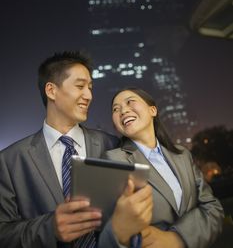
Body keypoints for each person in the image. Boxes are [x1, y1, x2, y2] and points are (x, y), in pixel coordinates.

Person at [0, 52, 153, 248]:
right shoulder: (9, 160)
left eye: (90, 88)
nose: (89, 96)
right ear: (51, 90)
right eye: (80, 86)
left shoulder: (114, 145)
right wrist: (50, 228)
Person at [104, 87, 224, 248]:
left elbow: (213, 208)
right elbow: (115, 228)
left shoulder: (183, 155)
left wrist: (177, 238)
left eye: (130, 102)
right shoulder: (113, 160)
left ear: (153, 110)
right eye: (115, 109)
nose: (123, 110)